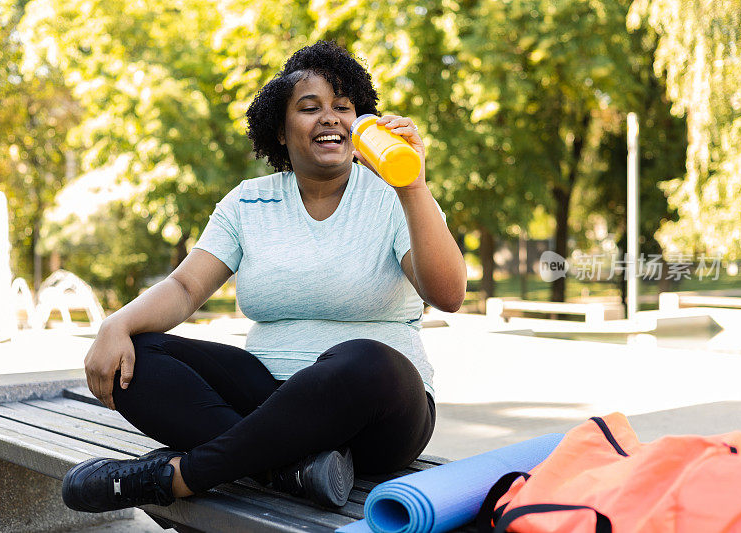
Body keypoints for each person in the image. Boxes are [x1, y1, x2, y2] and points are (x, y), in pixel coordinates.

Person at [61, 40, 467, 513]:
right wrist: (117, 325)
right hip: (264, 397)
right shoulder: (247, 202)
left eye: (343, 107)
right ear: (279, 128)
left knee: (365, 360)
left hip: (378, 413)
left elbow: (448, 294)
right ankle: (290, 471)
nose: (331, 117)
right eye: (310, 107)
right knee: (140, 355)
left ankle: (180, 477)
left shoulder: (392, 196)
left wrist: (413, 187)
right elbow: (185, 287)